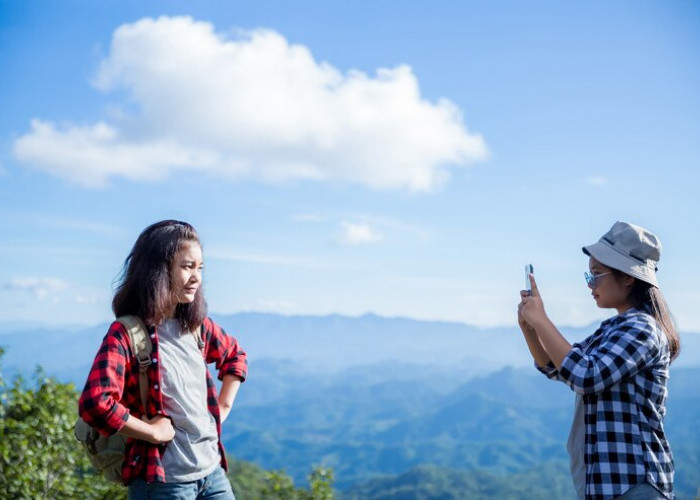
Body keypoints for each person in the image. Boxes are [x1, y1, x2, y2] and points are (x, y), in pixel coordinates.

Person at [79, 220, 248, 499]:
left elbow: (234, 356)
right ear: (157, 270)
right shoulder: (127, 333)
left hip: (212, 472)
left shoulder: (196, 326)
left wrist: (223, 407)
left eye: (200, 267)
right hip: (162, 483)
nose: (197, 278)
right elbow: (95, 403)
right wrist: (151, 433)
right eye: (187, 266)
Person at [517, 221, 679, 500]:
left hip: (635, 486)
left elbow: (585, 376)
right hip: (613, 488)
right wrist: (529, 328)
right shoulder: (613, 329)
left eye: (596, 274)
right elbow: (557, 368)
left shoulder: (642, 328)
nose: (590, 284)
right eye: (588, 275)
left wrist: (542, 319)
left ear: (628, 277)